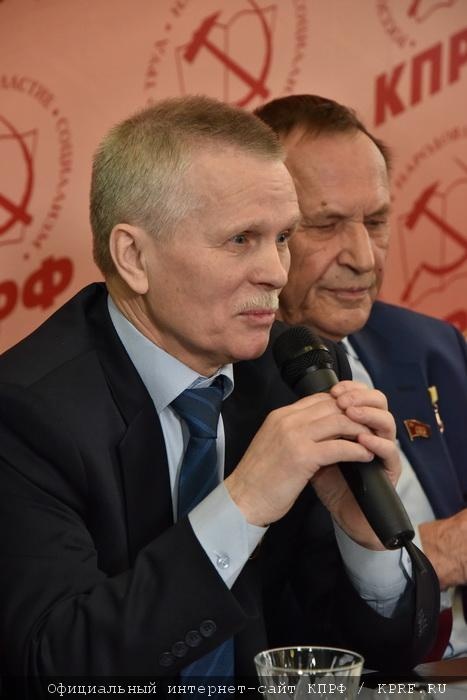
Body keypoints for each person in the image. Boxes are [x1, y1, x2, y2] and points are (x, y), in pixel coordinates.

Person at [0, 96, 437, 695]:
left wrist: (365, 543)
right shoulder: (24, 413)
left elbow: (372, 656)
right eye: (241, 239)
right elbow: (56, 665)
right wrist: (245, 501)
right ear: (134, 257)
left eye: (283, 237)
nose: (276, 272)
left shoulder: (294, 371)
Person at [255, 93, 467, 659]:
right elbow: (256, 601)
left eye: (375, 222)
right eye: (325, 225)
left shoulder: (431, 346)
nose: (364, 258)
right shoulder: (213, 384)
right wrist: (432, 554)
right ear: (256, 230)